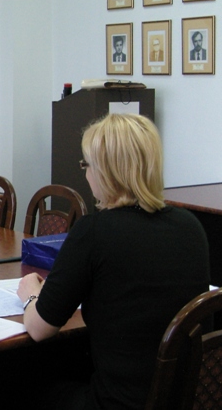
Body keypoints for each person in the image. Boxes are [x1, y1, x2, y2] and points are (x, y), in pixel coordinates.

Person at [16, 114, 209, 409]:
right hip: (180, 398)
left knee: (18, 382)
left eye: (87, 165)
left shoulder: (94, 231)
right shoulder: (190, 226)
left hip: (116, 402)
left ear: (106, 171)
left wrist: (31, 294)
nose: (86, 174)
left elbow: (40, 329)